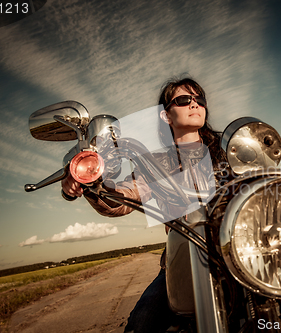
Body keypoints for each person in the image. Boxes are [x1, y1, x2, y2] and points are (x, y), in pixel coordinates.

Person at [61, 77, 227, 333]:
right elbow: (123, 200)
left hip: (236, 253)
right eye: (184, 100)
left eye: (199, 99)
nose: (194, 104)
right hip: (183, 260)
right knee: (140, 324)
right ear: (166, 116)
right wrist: (92, 184)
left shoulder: (229, 149)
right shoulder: (156, 164)